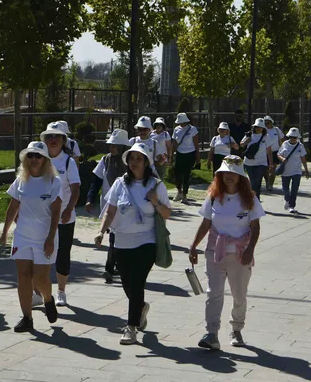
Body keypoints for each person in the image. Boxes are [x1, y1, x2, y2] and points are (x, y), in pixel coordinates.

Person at [94, 143, 171, 345]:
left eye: (139, 159)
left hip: (147, 240)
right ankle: (141, 307)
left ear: (146, 162)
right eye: (132, 159)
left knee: (137, 282)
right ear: (127, 162)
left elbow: (167, 214)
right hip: (122, 241)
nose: (135, 162)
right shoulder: (120, 184)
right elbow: (110, 211)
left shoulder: (156, 185)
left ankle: (131, 327)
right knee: (128, 284)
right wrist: (102, 231)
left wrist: (155, 201)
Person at [188, 155, 265, 350]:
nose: (229, 177)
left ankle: (236, 329)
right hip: (215, 251)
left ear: (241, 177)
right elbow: (206, 222)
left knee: (239, 294)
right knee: (214, 292)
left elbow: (255, 227)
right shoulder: (214, 196)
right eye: (225, 173)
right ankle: (211, 333)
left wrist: (250, 249)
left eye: (234, 173)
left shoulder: (250, 199)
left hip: (240, 254)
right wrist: (194, 245)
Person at [0, 141, 62, 331]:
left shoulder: (53, 182)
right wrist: (4, 232)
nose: (34, 159)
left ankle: (48, 299)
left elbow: (56, 212)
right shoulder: (21, 180)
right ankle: (27, 318)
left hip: (44, 237)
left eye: (38, 156)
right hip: (23, 236)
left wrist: (50, 238)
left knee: (40, 278)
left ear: (45, 160)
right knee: (23, 276)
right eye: (30, 156)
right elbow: (13, 207)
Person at [40, 122, 81, 306]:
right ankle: (37, 291)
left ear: (64, 140)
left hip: (64, 217)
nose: (53, 140)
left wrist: (69, 209)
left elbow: (75, 188)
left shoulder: (68, 162)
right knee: (39, 253)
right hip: (41, 217)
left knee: (62, 254)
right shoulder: (38, 159)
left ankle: (61, 292)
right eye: (49, 137)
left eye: (57, 136)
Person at [86, 129, 131, 284]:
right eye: (110, 145)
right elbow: (96, 181)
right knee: (112, 238)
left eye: (115, 145)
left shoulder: (131, 162)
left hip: (126, 208)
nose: (111, 148)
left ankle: (115, 265)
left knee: (119, 238)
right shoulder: (105, 160)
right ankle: (109, 269)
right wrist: (90, 198)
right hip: (109, 206)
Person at [276, 127, 309, 214]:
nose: (293, 139)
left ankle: (292, 206)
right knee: (285, 189)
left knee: (294, 189)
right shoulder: (285, 144)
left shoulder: (300, 146)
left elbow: (303, 159)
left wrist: (306, 170)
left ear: (297, 138)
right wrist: (282, 159)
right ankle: (287, 199)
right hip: (286, 171)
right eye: (291, 137)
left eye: (294, 137)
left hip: (296, 171)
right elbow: (278, 154)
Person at [240, 118, 273, 200]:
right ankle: (254, 199)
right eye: (257, 127)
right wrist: (246, 141)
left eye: (261, 127)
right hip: (249, 162)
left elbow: (269, 151)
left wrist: (271, 164)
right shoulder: (249, 134)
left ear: (263, 128)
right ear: (254, 127)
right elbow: (241, 145)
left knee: (257, 181)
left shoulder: (266, 137)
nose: (259, 129)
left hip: (261, 163)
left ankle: (255, 199)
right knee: (252, 181)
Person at [171, 112, 199, 203]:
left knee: (186, 174)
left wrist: (198, 157)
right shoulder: (176, 129)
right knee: (177, 173)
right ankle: (179, 191)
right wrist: (171, 155)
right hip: (180, 153)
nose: (181, 124)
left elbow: (196, 144)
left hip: (190, 153)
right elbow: (174, 143)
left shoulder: (192, 129)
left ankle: (184, 195)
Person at [264, 116, 285, 192]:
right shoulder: (263, 130)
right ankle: (267, 182)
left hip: (276, 152)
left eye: (268, 122)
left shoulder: (276, 130)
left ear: (271, 122)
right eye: (265, 123)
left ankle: (270, 185)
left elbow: (283, 139)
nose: (267, 124)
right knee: (266, 169)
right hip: (265, 152)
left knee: (273, 169)